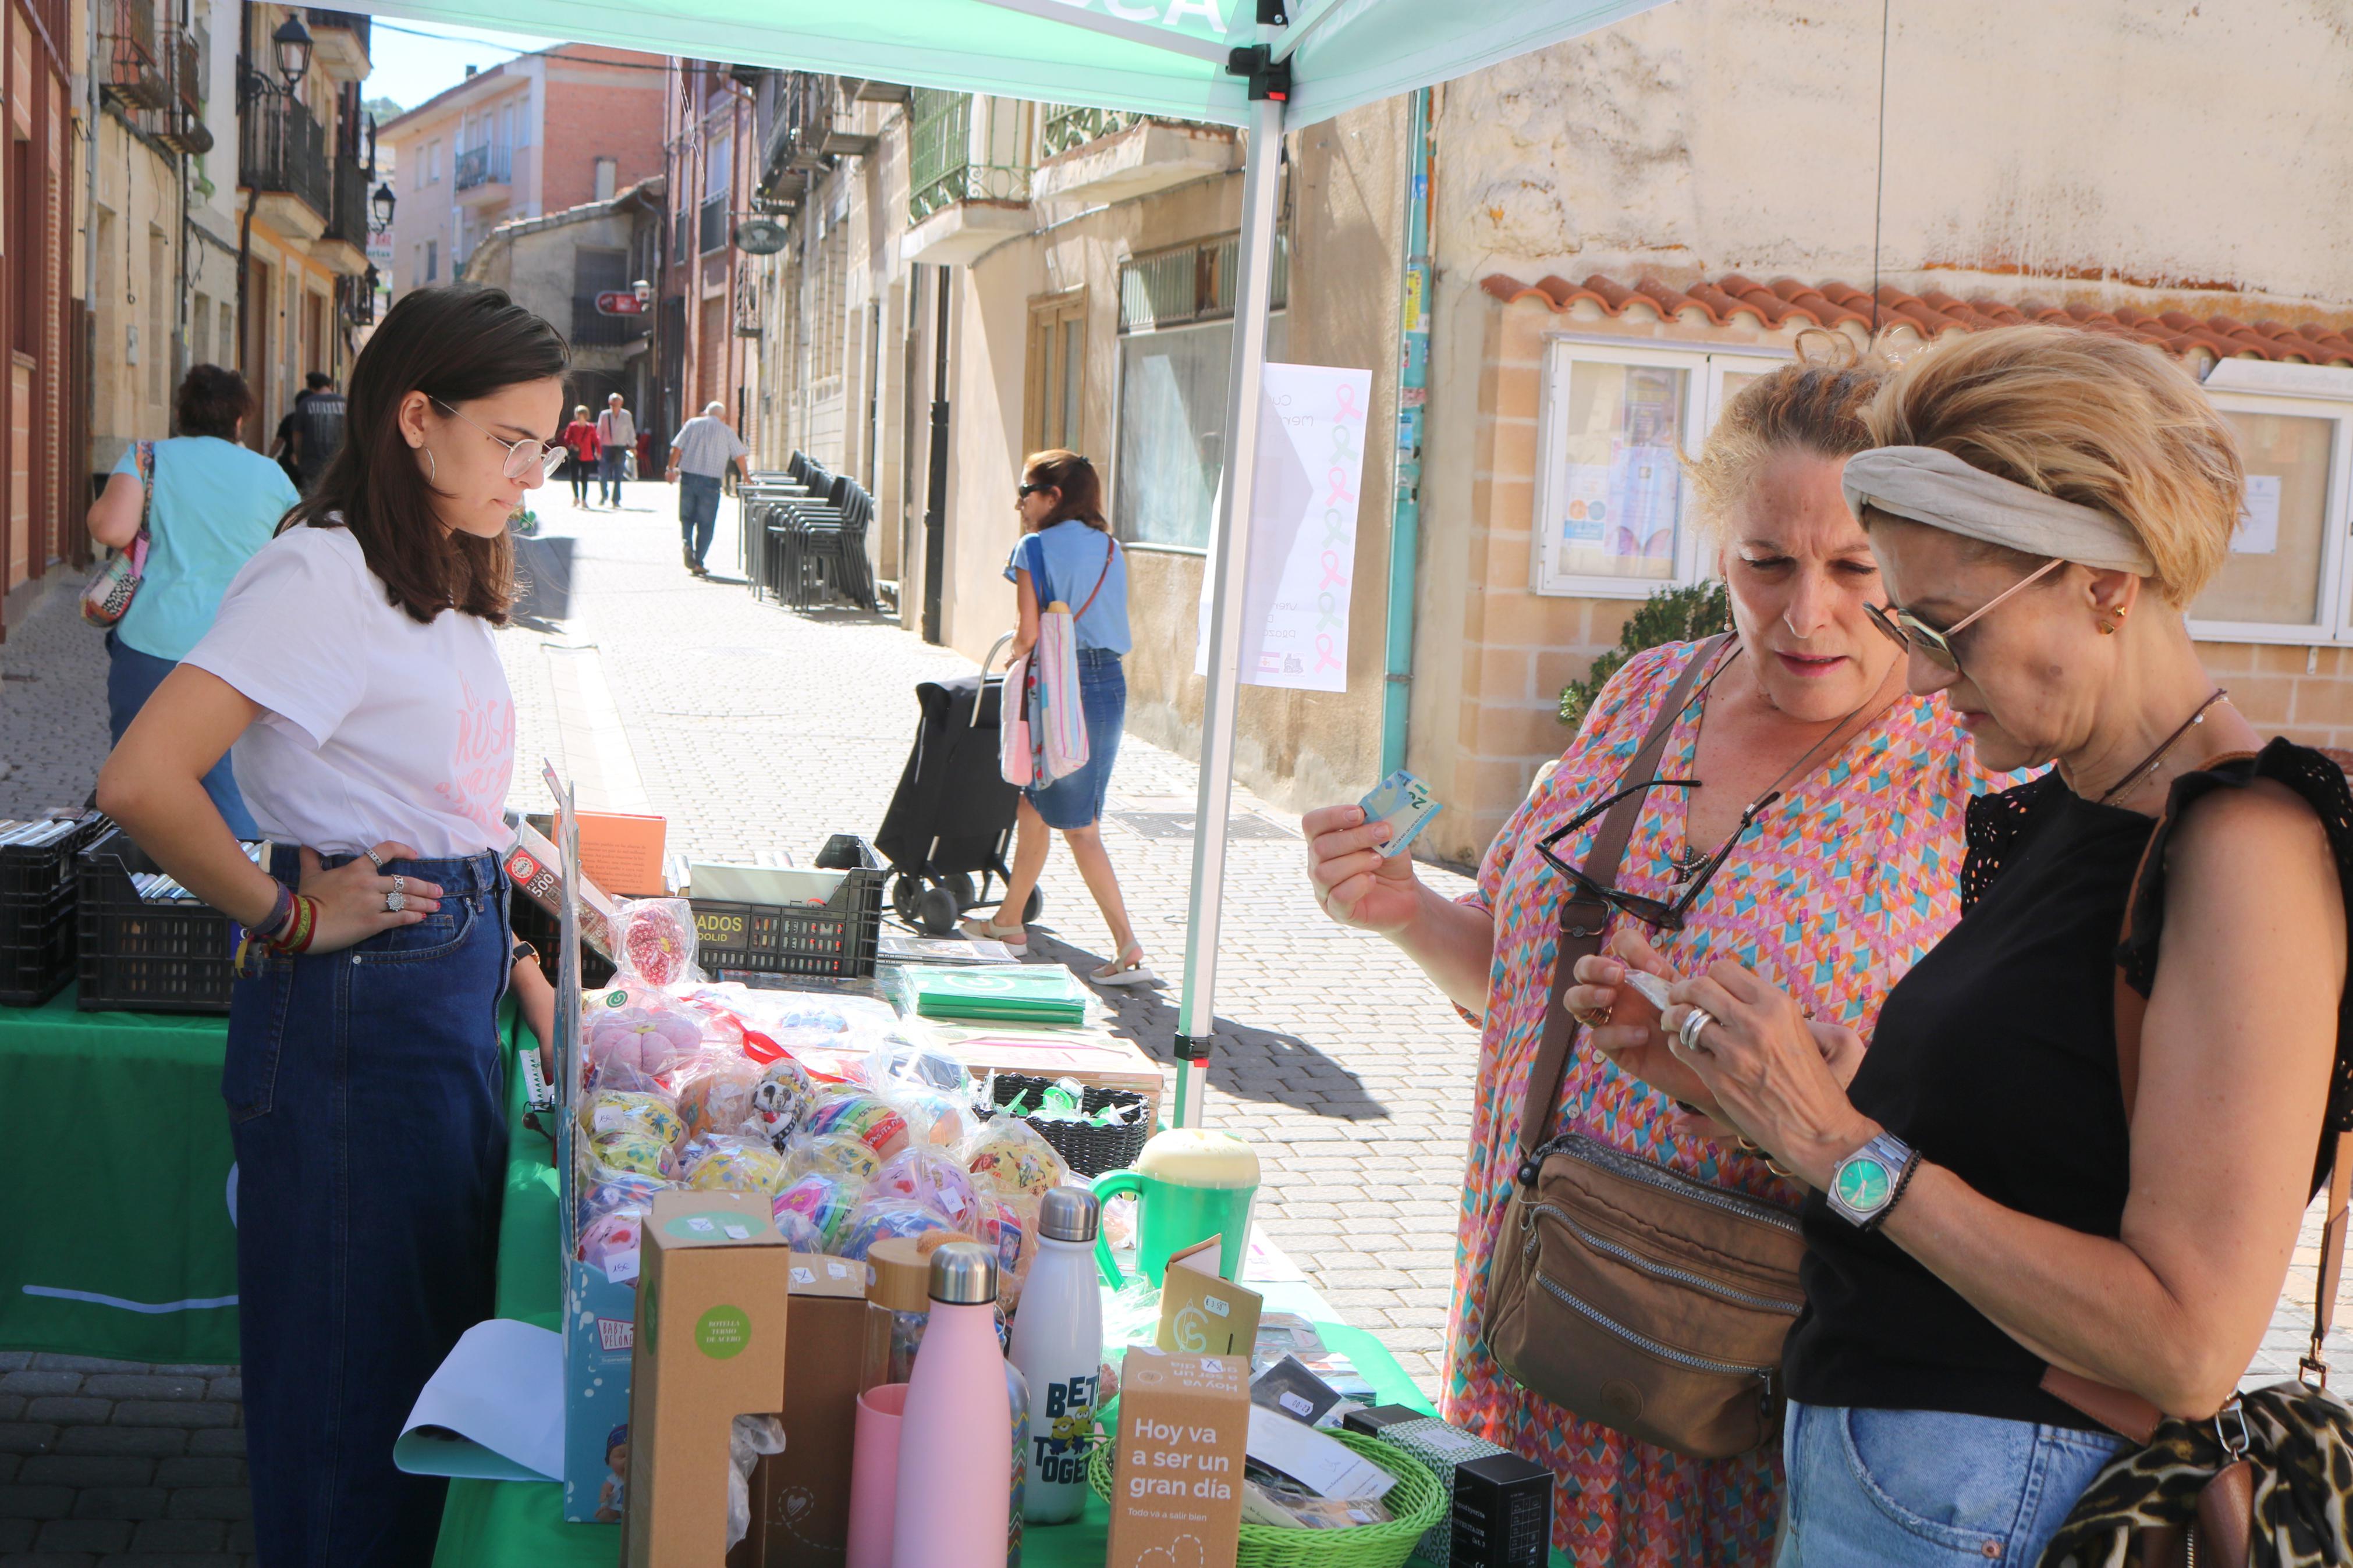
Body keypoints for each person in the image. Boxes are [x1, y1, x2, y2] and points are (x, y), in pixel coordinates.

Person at [1595, 325, 2353, 1568]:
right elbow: (2005, 1165)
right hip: (1907, 1480)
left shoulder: (2240, 843)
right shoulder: (2074, 807)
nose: (1927, 676)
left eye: (1947, 626)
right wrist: (1748, 1088)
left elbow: (2187, 1341)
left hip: (1986, 1500)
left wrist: (1834, 1140)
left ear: (2101, 582)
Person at [1304, 351, 1997, 1565]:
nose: (1804, 613)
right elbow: (1521, 991)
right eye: (1764, 564)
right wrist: (1406, 913)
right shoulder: (1642, 696)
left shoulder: (1965, 776)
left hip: (1748, 1368)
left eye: (1855, 568)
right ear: (1715, 548)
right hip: (1541, 1316)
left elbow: (1978, 1131)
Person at [94, 283, 568, 1565]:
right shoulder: (327, 571)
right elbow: (142, 779)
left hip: (444, 985)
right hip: (364, 1012)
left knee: (416, 1381)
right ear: (416, 417)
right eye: (509, 442)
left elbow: (440, 805)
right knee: (356, 1408)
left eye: (548, 446)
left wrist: (519, 950)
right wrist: (288, 918)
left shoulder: (441, 574)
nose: (532, 475)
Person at [960, 451, 1152, 985]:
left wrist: (1013, 657)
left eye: (1026, 491)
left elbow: (1026, 633)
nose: (1019, 503)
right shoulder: (1111, 548)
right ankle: (1008, 922)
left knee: (1081, 826)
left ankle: (1126, 944)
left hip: (1060, 688)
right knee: (1034, 804)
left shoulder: (1034, 547)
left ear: (1054, 495)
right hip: (1108, 684)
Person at [86, 365, 300, 840]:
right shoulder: (271, 476)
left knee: (140, 784)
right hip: (239, 651)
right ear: (240, 421)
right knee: (233, 789)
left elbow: (111, 529)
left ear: (182, 414)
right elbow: (293, 553)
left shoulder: (149, 458)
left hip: (152, 644)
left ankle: (143, 899)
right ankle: (240, 901)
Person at [664, 400, 750, 575]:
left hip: (689, 477)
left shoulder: (692, 424)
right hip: (711, 483)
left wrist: (670, 469)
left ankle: (687, 543)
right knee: (706, 523)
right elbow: (740, 456)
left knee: (686, 517)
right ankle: (698, 561)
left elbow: (677, 448)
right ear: (724, 417)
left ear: (706, 412)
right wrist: (746, 477)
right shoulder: (727, 431)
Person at [271, 371, 346, 495]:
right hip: (339, 464)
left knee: (312, 502)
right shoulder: (344, 403)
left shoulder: (305, 405)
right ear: (330, 385)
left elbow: (297, 436)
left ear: (311, 387)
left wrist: (299, 458)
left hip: (312, 466)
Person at [595, 390, 636, 506]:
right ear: (609, 403)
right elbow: (599, 432)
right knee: (603, 475)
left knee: (618, 476)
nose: (614, 404)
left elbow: (630, 431)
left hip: (620, 448)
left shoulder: (626, 416)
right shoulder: (604, 415)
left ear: (621, 403)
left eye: (617, 402)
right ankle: (604, 495)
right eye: (613, 402)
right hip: (606, 448)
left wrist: (633, 445)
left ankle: (616, 500)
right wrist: (598, 449)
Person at [561, 401, 600, 508]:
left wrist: (599, 451)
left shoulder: (591, 427)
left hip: (587, 456)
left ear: (585, 415)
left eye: (580, 414)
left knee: (585, 479)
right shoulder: (572, 426)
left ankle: (584, 499)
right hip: (575, 455)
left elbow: (596, 440)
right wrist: (572, 445)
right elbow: (567, 438)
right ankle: (576, 497)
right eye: (577, 414)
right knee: (574, 477)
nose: (578, 417)